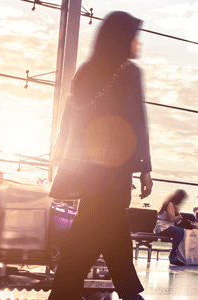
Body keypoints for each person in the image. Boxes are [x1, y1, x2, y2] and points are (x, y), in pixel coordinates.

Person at [48, 11, 151, 300]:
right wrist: (144, 167)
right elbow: (137, 122)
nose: (138, 45)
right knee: (107, 226)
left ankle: (65, 292)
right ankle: (127, 294)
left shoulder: (85, 71)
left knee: (98, 227)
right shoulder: (129, 71)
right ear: (123, 39)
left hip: (86, 167)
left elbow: (69, 118)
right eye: (134, 38)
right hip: (113, 167)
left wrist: (61, 152)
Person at [154, 189, 188, 263]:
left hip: (167, 226)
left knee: (181, 231)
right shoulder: (170, 204)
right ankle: (173, 253)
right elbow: (172, 219)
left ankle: (176, 253)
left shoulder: (172, 205)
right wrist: (179, 217)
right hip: (163, 227)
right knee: (180, 231)